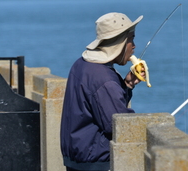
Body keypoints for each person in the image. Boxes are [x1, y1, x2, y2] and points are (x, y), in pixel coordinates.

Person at [60, 12, 145, 171]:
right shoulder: (104, 79)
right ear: (119, 42)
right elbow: (118, 124)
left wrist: (127, 85)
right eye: (131, 39)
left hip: (77, 159)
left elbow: (100, 107)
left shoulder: (81, 64)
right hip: (95, 163)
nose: (134, 46)